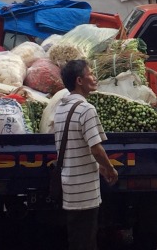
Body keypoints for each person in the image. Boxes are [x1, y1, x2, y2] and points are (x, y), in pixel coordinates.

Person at [55, 60, 118, 250]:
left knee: (77, 239)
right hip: (84, 193)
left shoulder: (61, 108)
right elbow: (95, 149)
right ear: (79, 81)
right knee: (86, 241)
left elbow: (75, 147)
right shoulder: (86, 109)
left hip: (70, 188)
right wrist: (110, 168)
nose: (94, 77)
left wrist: (98, 166)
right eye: (90, 74)